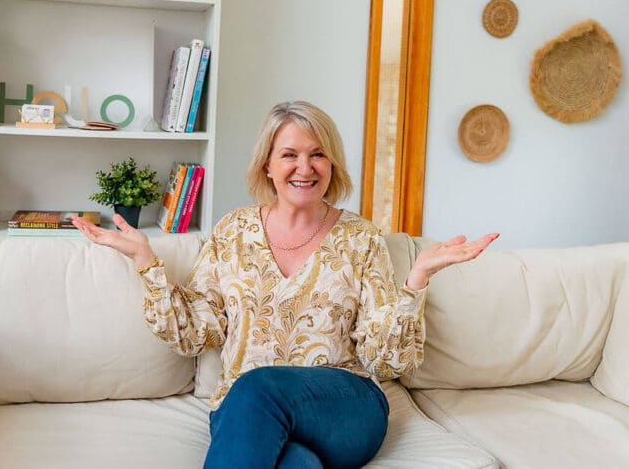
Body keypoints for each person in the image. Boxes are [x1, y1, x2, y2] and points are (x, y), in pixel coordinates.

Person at [72, 101, 498, 468]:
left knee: (258, 386)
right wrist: (146, 262)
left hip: (345, 409)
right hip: (246, 412)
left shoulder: (361, 238)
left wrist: (416, 280)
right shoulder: (233, 231)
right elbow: (197, 333)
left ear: (332, 164)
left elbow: (386, 361)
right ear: (268, 165)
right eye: (289, 154)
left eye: (318, 155)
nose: (305, 168)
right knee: (295, 462)